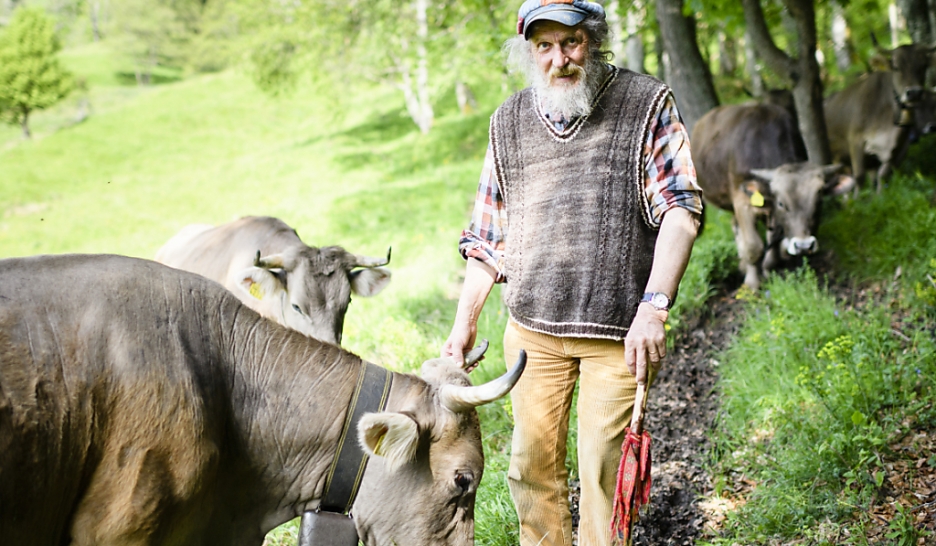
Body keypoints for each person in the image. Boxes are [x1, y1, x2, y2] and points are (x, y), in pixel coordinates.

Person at [441, 1, 703, 545]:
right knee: (531, 472)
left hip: (618, 335)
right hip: (532, 333)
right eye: (544, 46)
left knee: (603, 477)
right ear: (528, 52)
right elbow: (489, 236)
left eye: (572, 43)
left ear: (594, 40)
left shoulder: (645, 103)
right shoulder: (508, 122)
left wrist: (655, 306)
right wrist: (465, 322)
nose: (560, 59)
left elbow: (680, 209)